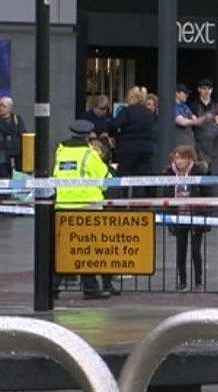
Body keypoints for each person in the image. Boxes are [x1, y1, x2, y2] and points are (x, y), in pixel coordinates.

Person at [54, 120, 120, 299]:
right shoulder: (89, 154)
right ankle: (90, 289)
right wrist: (112, 171)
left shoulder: (61, 151)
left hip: (64, 206)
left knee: (67, 249)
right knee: (87, 249)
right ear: (89, 136)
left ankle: (52, 287)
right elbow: (104, 179)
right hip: (88, 205)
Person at [163, 145, 210, 292]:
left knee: (196, 251)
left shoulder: (199, 172)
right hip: (179, 217)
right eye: (176, 157)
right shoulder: (169, 173)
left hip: (195, 215)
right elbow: (166, 193)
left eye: (182, 158)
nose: (178, 161)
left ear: (189, 158)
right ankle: (182, 282)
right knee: (180, 251)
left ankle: (198, 282)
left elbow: (207, 193)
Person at [114, 86, 157, 179]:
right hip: (146, 149)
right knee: (140, 179)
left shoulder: (126, 111)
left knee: (123, 177)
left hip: (128, 149)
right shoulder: (149, 113)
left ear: (134, 98)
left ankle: (122, 194)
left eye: (129, 97)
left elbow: (115, 125)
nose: (127, 100)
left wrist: (115, 136)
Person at [190, 79, 216, 160]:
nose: (206, 91)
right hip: (198, 143)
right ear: (199, 89)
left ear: (212, 90)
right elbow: (192, 123)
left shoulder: (216, 106)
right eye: (204, 88)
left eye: (209, 89)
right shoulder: (193, 105)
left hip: (213, 143)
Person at [0, 96, 26, 170]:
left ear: (9, 108)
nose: (0, 108)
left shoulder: (17, 118)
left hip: (16, 153)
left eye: (3, 106)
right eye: (0, 105)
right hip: (2, 155)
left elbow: (22, 133)